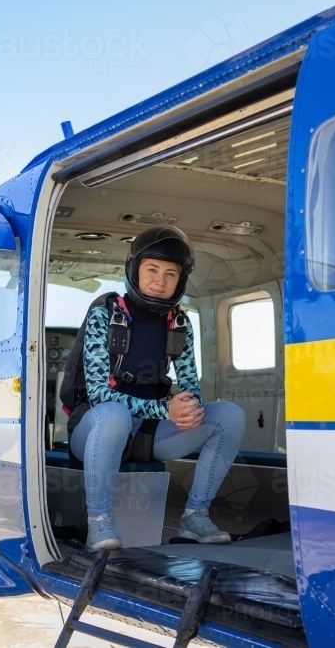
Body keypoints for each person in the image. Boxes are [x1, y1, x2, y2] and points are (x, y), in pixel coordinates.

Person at [68, 226, 246, 551]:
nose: (160, 281)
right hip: (95, 432)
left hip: (147, 436)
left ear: (180, 280)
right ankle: (98, 523)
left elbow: (191, 388)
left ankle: (195, 515)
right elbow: (99, 395)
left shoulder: (180, 324)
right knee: (113, 416)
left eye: (170, 274)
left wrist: (189, 409)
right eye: (152, 269)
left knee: (229, 417)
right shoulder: (104, 315)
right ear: (135, 269)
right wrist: (165, 409)